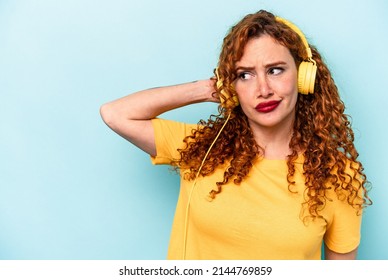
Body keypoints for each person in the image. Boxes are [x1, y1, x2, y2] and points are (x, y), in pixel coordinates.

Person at [100, 10, 371, 260]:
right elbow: (115, 113)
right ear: (231, 87)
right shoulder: (200, 148)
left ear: (303, 77)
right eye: (245, 75)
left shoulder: (338, 176)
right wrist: (207, 89)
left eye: (275, 70)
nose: (263, 89)